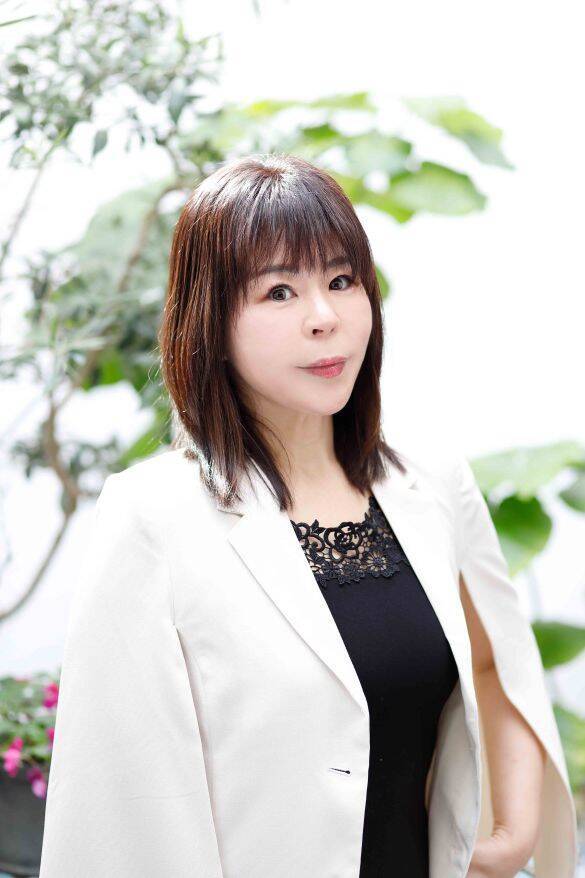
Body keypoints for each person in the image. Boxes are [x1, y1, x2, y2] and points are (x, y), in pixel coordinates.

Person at [39, 154, 577, 878]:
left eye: (341, 281)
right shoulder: (153, 517)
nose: (324, 319)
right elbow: (126, 796)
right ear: (210, 319)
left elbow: (493, 659)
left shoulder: (429, 483)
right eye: (279, 292)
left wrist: (509, 837)